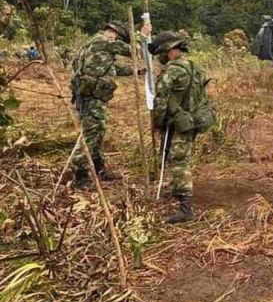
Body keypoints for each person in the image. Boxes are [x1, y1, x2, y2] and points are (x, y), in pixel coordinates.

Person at [147, 30, 214, 224]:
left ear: (168, 51)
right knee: (180, 156)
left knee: (178, 160)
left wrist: (157, 123)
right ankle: (177, 189)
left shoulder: (171, 71)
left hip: (179, 123)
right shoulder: (196, 67)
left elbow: (160, 101)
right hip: (194, 120)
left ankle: (186, 207)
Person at [70, 22, 138, 187]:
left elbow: (111, 67)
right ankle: (80, 175)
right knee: (91, 133)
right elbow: (133, 51)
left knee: (98, 131)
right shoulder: (102, 40)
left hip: (94, 96)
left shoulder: (96, 46)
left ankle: (99, 168)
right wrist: (142, 35)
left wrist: (135, 71)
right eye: (119, 38)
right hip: (91, 97)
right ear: (114, 34)